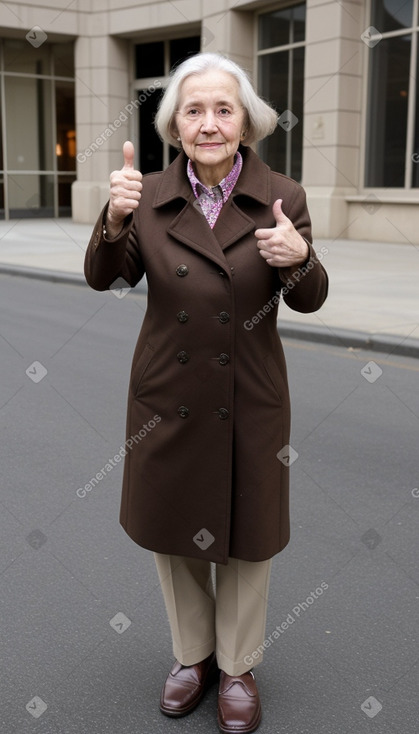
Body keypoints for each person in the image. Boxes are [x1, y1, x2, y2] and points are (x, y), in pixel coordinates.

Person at [84, 52, 328, 734]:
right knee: (177, 530)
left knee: (248, 536)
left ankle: (239, 665)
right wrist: (113, 218)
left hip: (249, 394)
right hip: (169, 394)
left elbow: (309, 298)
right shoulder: (150, 196)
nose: (209, 122)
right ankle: (193, 657)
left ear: (245, 121)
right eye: (194, 110)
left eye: (223, 109)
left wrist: (298, 258)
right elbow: (109, 274)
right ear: (175, 126)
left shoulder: (283, 196)